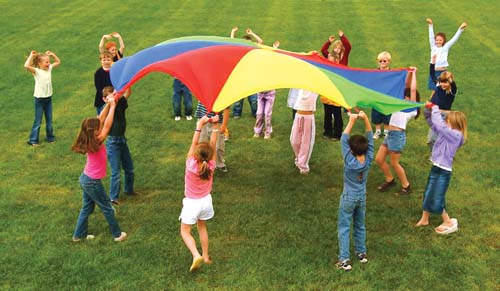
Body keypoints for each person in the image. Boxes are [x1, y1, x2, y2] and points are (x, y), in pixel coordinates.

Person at [71, 87, 127, 242]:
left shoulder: (89, 137)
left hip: (85, 179)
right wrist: (113, 106)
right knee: (107, 207)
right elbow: (107, 125)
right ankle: (117, 235)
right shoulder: (98, 140)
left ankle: (78, 236)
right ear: (95, 132)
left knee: (87, 208)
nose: (100, 126)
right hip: (92, 182)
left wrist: (109, 103)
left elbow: (101, 119)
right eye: (98, 128)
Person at [415, 103, 467, 235]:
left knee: (438, 197)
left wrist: (435, 109)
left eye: (448, 121)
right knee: (429, 192)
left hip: (444, 171)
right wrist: (428, 110)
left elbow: (439, 125)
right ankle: (425, 218)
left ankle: (448, 221)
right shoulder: (446, 132)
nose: (445, 122)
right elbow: (433, 124)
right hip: (436, 167)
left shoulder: (456, 135)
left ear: (455, 123)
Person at [180, 115, 219, 272]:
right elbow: (213, 144)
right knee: (202, 227)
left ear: (195, 154)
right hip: (206, 201)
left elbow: (194, 143)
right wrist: (216, 125)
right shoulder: (211, 164)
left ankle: (196, 255)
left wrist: (199, 124)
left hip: (192, 203)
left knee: (185, 231)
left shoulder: (190, 163)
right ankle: (206, 256)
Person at [336, 110, 374, 271]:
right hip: (361, 197)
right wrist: (365, 119)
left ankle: (344, 259)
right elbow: (371, 139)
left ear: (351, 150)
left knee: (344, 226)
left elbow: (343, 139)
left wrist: (351, 120)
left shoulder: (349, 160)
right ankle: (361, 253)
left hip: (348, 198)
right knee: (360, 225)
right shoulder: (369, 158)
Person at [375, 67, 420, 195]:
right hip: (390, 135)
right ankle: (390, 179)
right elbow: (406, 85)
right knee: (379, 159)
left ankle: (406, 186)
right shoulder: (399, 104)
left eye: (407, 97)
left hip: (397, 136)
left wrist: (414, 73)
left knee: (394, 163)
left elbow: (411, 89)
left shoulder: (412, 109)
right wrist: (409, 73)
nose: (404, 97)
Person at [106, 85, 137, 205]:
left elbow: (128, 93)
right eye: (111, 95)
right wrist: (111, 103)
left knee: (129, 169)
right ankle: (113, 197)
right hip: (113, 143)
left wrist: (128, 83)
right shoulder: (107, 108)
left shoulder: (121, 102)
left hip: (122, 141)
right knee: (116, 172)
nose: (114, 96)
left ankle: (129, 190)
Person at [24, 50, 61, 146]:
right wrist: (31, 56)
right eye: (46, 62)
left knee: (49, 120)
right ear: (40, 64)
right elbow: (26, 66)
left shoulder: (49, 69)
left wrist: (52, 54)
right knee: (38, 120)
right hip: (39, 99)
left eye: (49, 61)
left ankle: (50, 137)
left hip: (48, 98)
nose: (49, 63)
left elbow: (58, 62)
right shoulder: (37, 71)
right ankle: (33, 140)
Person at [426, 18, 466, 97]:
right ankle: (431, 104)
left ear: (444, 41)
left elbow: (454, 39)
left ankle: (437, 104)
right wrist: (430, 25)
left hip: (443, 72)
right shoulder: (433, 47)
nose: (438, 41)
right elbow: (431, 37)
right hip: (434, 72)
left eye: (440, 40)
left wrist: (460, 29)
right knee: (435, 89)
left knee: (443, 89)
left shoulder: (446, 47)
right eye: (437, 40)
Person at [427, 54, 458, 148]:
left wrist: (450, 80)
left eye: (446, 82)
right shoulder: (439, 85)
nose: (443, 84)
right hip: (435, 113)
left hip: (444, 115)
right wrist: (432, 62)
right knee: (433, 136)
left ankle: (438, 152)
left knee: (436, 137)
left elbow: (454, 85)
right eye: (441, 82)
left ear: (450, 82)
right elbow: (432, 74)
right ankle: (435, 146)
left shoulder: (452, 91)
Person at [230, 27, 261, 118]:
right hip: (239, 77)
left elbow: (260, 42)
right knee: (238, 98)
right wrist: (233, 32)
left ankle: (255, 112)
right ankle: (236, 114)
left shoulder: (253, 50)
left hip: (251, 78)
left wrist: (252, 33)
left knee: (254, 98)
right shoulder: (238, 50)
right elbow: (231, 43)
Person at [194, 102, 230, 172]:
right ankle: (200, 163)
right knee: (201, 144)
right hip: (203, 120)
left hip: (217, 122)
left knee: (219, 145)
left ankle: (220, 163)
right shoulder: (203, 91)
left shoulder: (222, 93)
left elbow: (226, 107)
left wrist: (224, 124)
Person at [290, 89, 318, 174]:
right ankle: (299, 158)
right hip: (298, 115)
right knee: (294, 141)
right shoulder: (302, 84)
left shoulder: (316, 86)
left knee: (306, 143)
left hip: (308, 117)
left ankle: (304, 166)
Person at [371, 51, 392, 139]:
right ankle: (378, 131)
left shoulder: (392, 73)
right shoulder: (375, 72)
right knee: (376, 114)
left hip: (388, 97)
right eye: (380, 61)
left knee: (387, 114)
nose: (382, 63)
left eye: (384, 61)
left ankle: (386, 131)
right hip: (377, 97)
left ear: (389, 62)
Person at [94, 51, 113, 115]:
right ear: (101, 61)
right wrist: (106, 96)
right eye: (104, 60)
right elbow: (98, 87)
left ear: (112, 60)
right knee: (101, 116)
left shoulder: (114, 70)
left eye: (108, 60)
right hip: (101, 98)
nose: (106, 62)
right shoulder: (98, 73)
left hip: (113, 95)